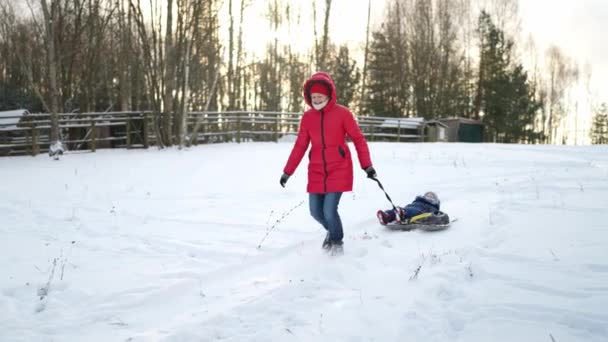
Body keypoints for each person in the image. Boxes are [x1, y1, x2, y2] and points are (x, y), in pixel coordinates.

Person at [280, 72, 376, 254]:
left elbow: (358, 139)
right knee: (315, 212)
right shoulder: (308, 118)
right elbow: (300, 145)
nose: (316, 99)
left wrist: (367, 165)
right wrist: (288, 172)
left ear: (328, 95)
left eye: (319, 96)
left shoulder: (343, 114)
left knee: (330, 211)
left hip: (339, 168)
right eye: (313, 96)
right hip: (316, 169)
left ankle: (337, 243)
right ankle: (332, 232)